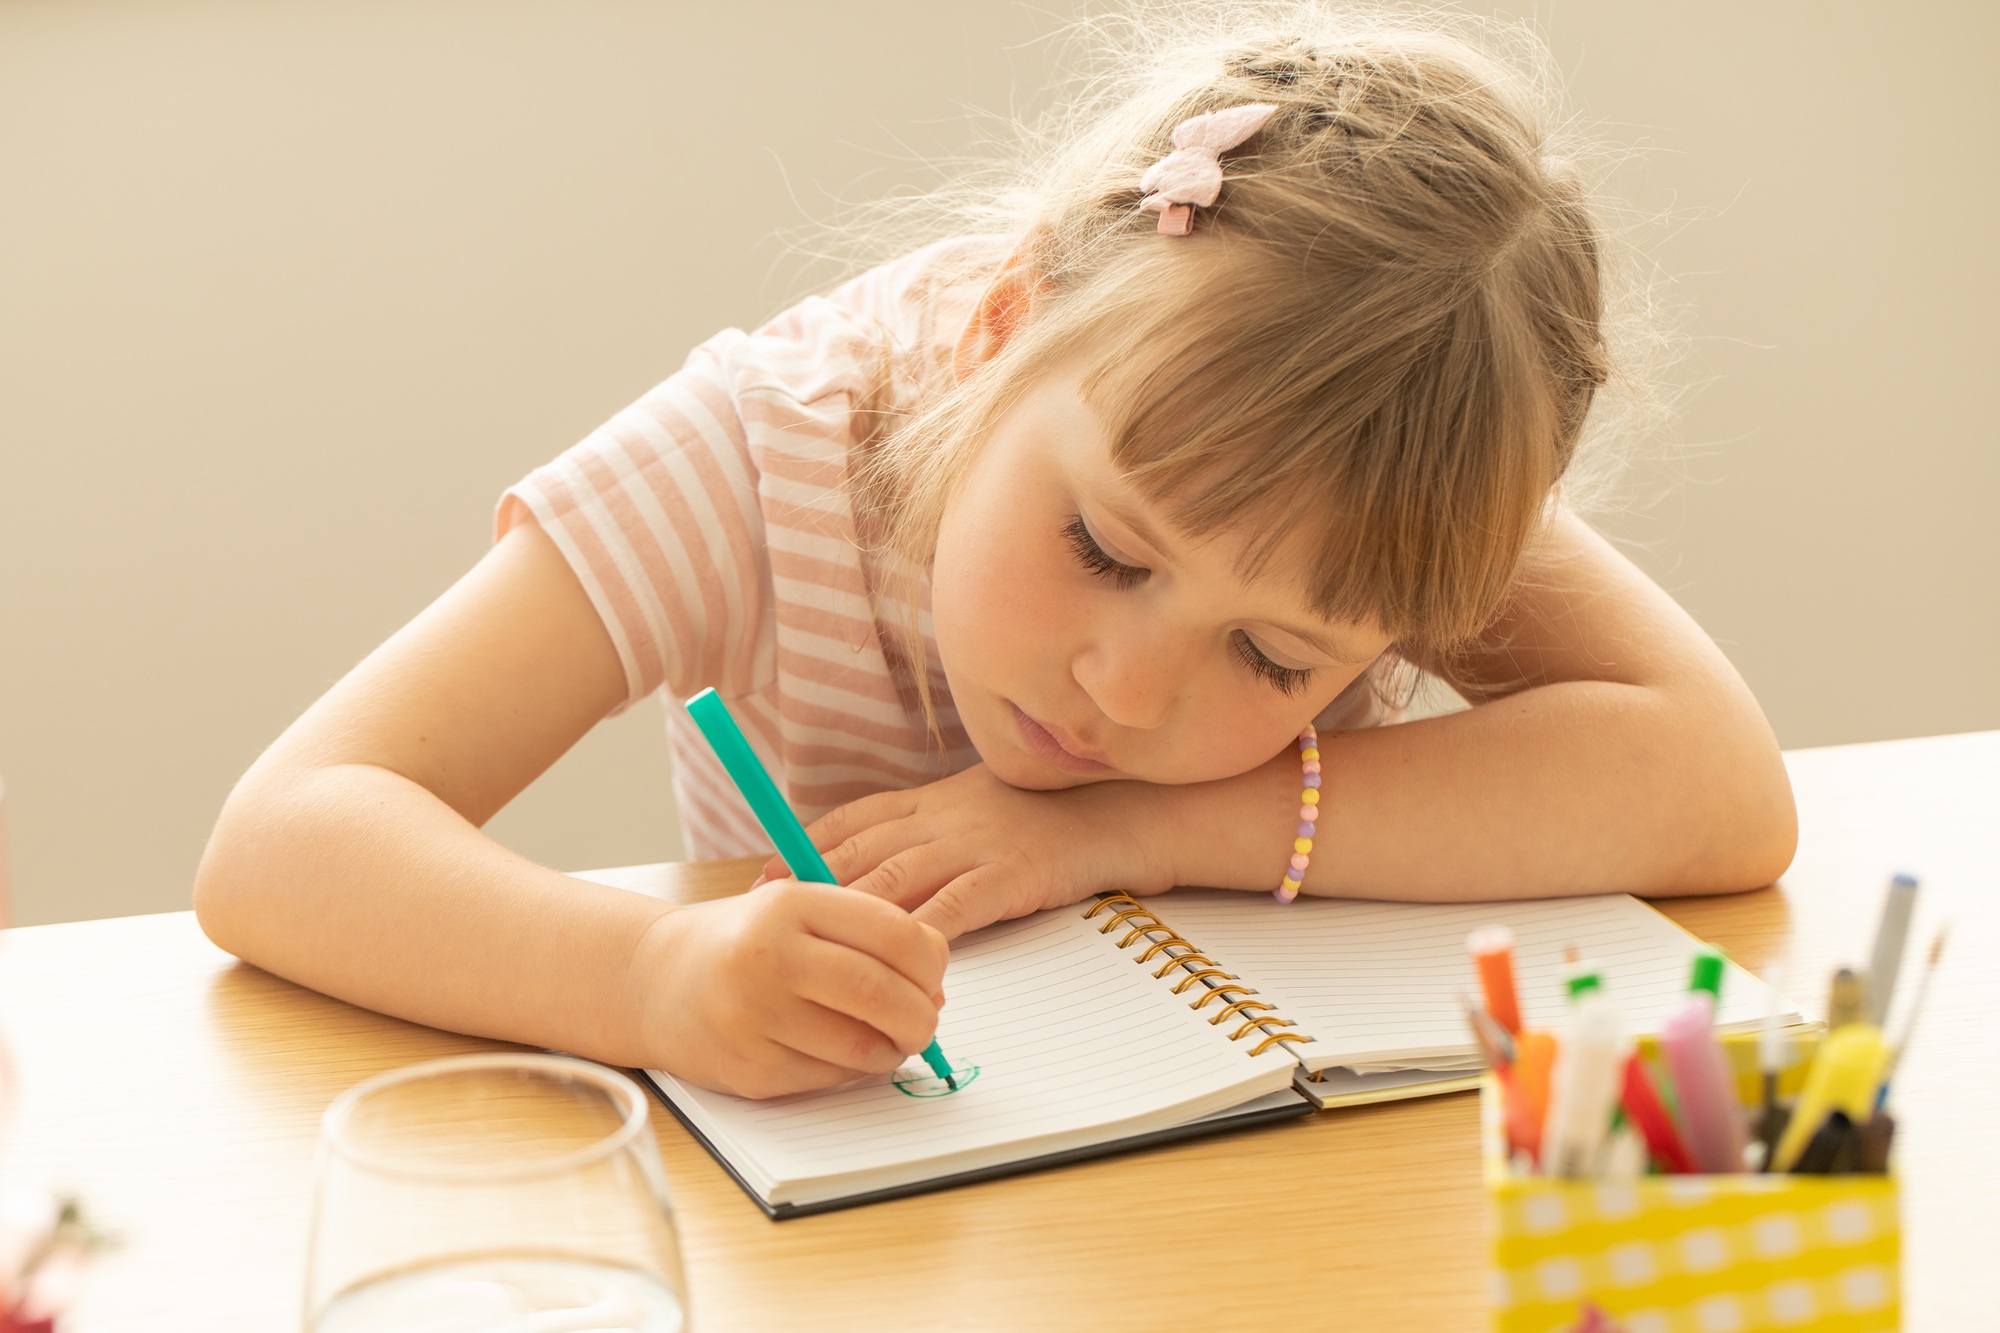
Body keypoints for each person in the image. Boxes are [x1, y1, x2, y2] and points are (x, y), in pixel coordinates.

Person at [193, 6, 1796, 1099]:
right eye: (1106, 548)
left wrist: (1145, 828)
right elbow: (284, 838)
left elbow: (1720, 787)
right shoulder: (765, 449)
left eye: (1275, 659)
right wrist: (652, 980)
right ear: (1005, 324)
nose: (1123, 686)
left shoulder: (1368, 468)